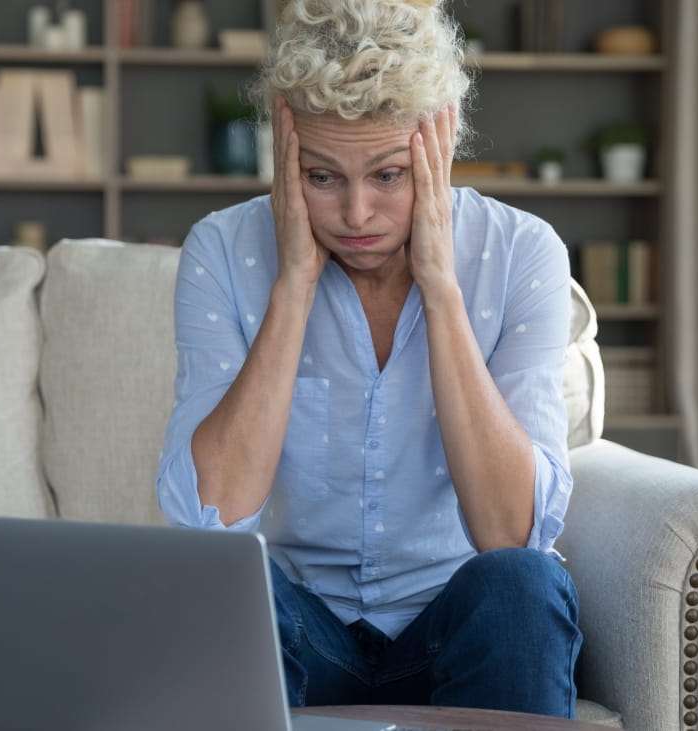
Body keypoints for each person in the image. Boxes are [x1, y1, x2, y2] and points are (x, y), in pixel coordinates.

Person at [156, 0, 581, 718]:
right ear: (286, 148)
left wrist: (442, 289)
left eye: (388, 175)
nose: (356, 215)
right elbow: (211, 519)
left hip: (454, 621)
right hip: (303, 632)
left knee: (523, 587)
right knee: (227, 584)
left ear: (439, 144)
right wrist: (293, 285)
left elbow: (510, 534)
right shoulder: (223, 253)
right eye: (323, 178)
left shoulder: (519, 254)